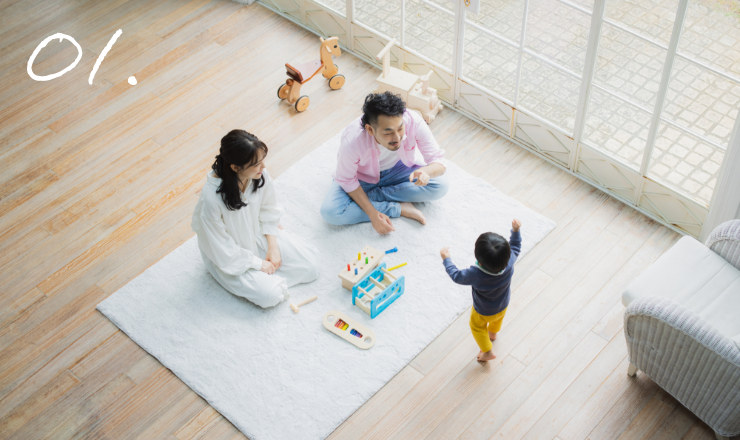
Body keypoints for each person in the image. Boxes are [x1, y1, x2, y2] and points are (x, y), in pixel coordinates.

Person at [191, 129, 320, 308]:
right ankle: (264, 280)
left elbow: (269, 209)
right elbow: (221, 248)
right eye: (257, 164)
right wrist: (258, 264)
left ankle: (267, 273)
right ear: (235, 167)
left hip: (258, 234)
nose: (264, 167)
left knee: (311, 266)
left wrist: (273, 245)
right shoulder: (211, 199)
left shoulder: (258, 174)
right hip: (231, 255)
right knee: (272, 295)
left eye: (262, 160)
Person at [320, 91, 450, 235]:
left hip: (399, 170)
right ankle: (399, 207)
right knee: (330, 212)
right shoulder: (352, 141)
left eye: (400, 128)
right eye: (388, 133)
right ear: (370, 129)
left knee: (441, 185)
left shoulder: (413, 121)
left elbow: (438, 160)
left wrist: (426, 172)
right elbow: (346, 179)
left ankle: (368, 197)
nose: (397, 138)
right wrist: (373, 214)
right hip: (361, 178)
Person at [440, 219, 523, 363]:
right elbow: (515, 245)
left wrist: (447, 259)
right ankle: (492, 334)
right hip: (503, 304)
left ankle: (488, 351)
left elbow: (457, 276)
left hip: (483, 311)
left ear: (478, 258)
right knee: (498, 319)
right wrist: (515, 231)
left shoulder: (476, 274)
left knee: (476, 327)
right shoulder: (509, 262)